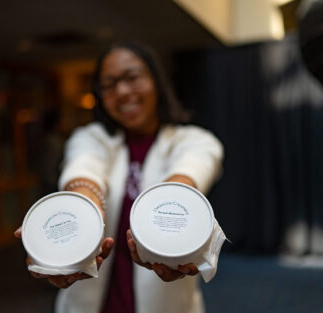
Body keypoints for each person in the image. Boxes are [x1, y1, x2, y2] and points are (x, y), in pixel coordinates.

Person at [15, 41, 224, 313]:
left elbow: (191, 170)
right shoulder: (90, 138)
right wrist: (77, 220)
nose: (123, 91)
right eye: (109, 84)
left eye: (132, 77)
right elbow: (84, 171)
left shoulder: (194, 139)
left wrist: (172, 223)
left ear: (156, 81)